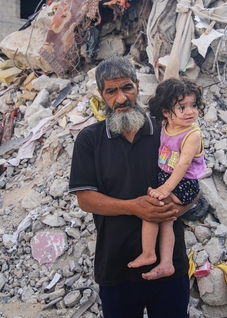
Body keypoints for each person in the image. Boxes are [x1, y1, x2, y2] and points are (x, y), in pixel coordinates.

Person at [69, 57, 194, 318]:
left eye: (127, 87)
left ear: (138, 86)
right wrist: (135, 208)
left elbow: (194, 187)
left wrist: (175, 209)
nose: (121, 98)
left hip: (169, 266)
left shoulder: (167, 133)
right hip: (116, 268)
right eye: (111, 91)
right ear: (101, 94)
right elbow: (86, 199)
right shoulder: (90, 140)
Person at [128, 78, 206, 281]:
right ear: (165, 112)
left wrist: (165, 189)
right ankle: (167, 263)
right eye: (182, 107)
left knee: (153, 210)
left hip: (184, 184)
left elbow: (182, 165)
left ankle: (149, 253)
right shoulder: (167, 125)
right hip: (170, 180)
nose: (190, 112)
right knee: (166, 221)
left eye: (193, 105)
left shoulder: (192, 134)